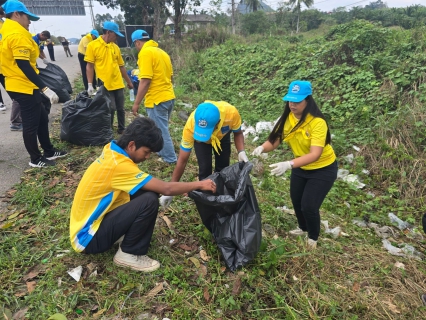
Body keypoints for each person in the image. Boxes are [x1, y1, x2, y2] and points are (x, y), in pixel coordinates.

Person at [69, 117, 217, 272]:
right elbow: (165, 188)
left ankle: (123, 237)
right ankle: (128, 253)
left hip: (89, 227)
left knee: (146, 191)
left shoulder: (112, 151)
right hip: (87, 239)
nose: (147, 157)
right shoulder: (119, 165)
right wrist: (200, 184)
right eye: (146, 152)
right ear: (132, 145)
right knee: (149, 200)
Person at [252, 80, 337, 249]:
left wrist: (289, 164)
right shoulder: (287, 118)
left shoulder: (317, 122)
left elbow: (315, 154)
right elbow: (275, 140)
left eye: (297, 101)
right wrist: (262, 147)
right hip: (301, 166)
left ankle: (313, 237)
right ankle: (302, 227)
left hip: (323, 169)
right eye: (290, 100)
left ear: (308, 100)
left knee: (309, 205)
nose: (292, 104)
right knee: (296, 200)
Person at [1, 0, 67, 167]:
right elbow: (23, 65)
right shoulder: (16, 34)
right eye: (27, 17)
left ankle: (49, 151)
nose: (29, 21)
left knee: (42, 117)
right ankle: (35, 159)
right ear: (16, 14)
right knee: (31, 123)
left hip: (25, 84)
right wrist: (45, 88)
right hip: (21, 85)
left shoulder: (11, 31)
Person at [160, 101, 248, 208]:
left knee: (223, 167)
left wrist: (241, 151)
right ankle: (205, 201)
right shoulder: (191, 126)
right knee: (204, 168)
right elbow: (182, 161)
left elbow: (238, 133)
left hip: (222, 136)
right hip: (201, 142)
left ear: (218, 123)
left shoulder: (231, 114)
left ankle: (220, 196)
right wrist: (171, 190)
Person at [131, 29, 177, 164]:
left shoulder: (145, 53)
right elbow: (171, 77)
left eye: (135, 44)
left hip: (157, 99)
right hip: (168, 96)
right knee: (161, 128)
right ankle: (162, 151)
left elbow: (145, 80)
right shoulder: (162, 53)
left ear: (137, 42)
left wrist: (136, 103)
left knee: (161, 131)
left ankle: (170, 159)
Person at [85, 21, 133, 134]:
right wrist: (90, 84)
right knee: (110, 108)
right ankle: (108, 130)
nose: (116, 37)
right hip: (105, 84)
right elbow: (89, 66)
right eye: (115, 34)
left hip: (118, 83)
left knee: (120, 108)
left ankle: (122, 128)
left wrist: (129, 82)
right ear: (108, 32)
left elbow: (121, 67)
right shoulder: (93, 46)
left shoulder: (115, 47)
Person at [0, 6, 6, 111]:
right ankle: (1, 102)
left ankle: (15, 100)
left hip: (3, 57)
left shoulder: (3, 23)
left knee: (5, 80)